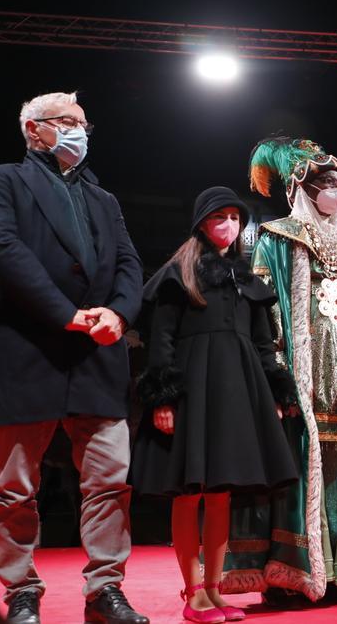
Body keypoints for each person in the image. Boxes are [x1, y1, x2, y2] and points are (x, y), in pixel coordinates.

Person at [0, 91, 148, 624]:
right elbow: (0, 248)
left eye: (83, 123)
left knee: (110, 481)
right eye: (67, 123)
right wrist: (65, 313)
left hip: (98, 353)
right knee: (14, 486)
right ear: (33, 130)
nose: (79, 132)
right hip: (27, 348)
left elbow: (129, 265)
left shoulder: (105, 199)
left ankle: (104, 590)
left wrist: (120, 314)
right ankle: (21, 591)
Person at [219, 137, 337, 602]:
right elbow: (264, 308)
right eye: (325, 182)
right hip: (300, 378)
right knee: (301, 465)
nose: (335, 190)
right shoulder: (277, 237)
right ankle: (294, 573)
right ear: (302, 188)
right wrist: (274, 372)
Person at [131, 187, 299, 623]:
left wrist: (277, 393)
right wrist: (162, 399)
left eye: (236, 218)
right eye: (220, 217)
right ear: (202, 223)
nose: (230, 226)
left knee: (222, 493)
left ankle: (214, 588)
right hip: (192, 388)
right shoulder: (179, 273)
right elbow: (161, 340)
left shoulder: (248, 282)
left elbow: (264, 345)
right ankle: (192, 594)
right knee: (190, 493)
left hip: (238, 393)